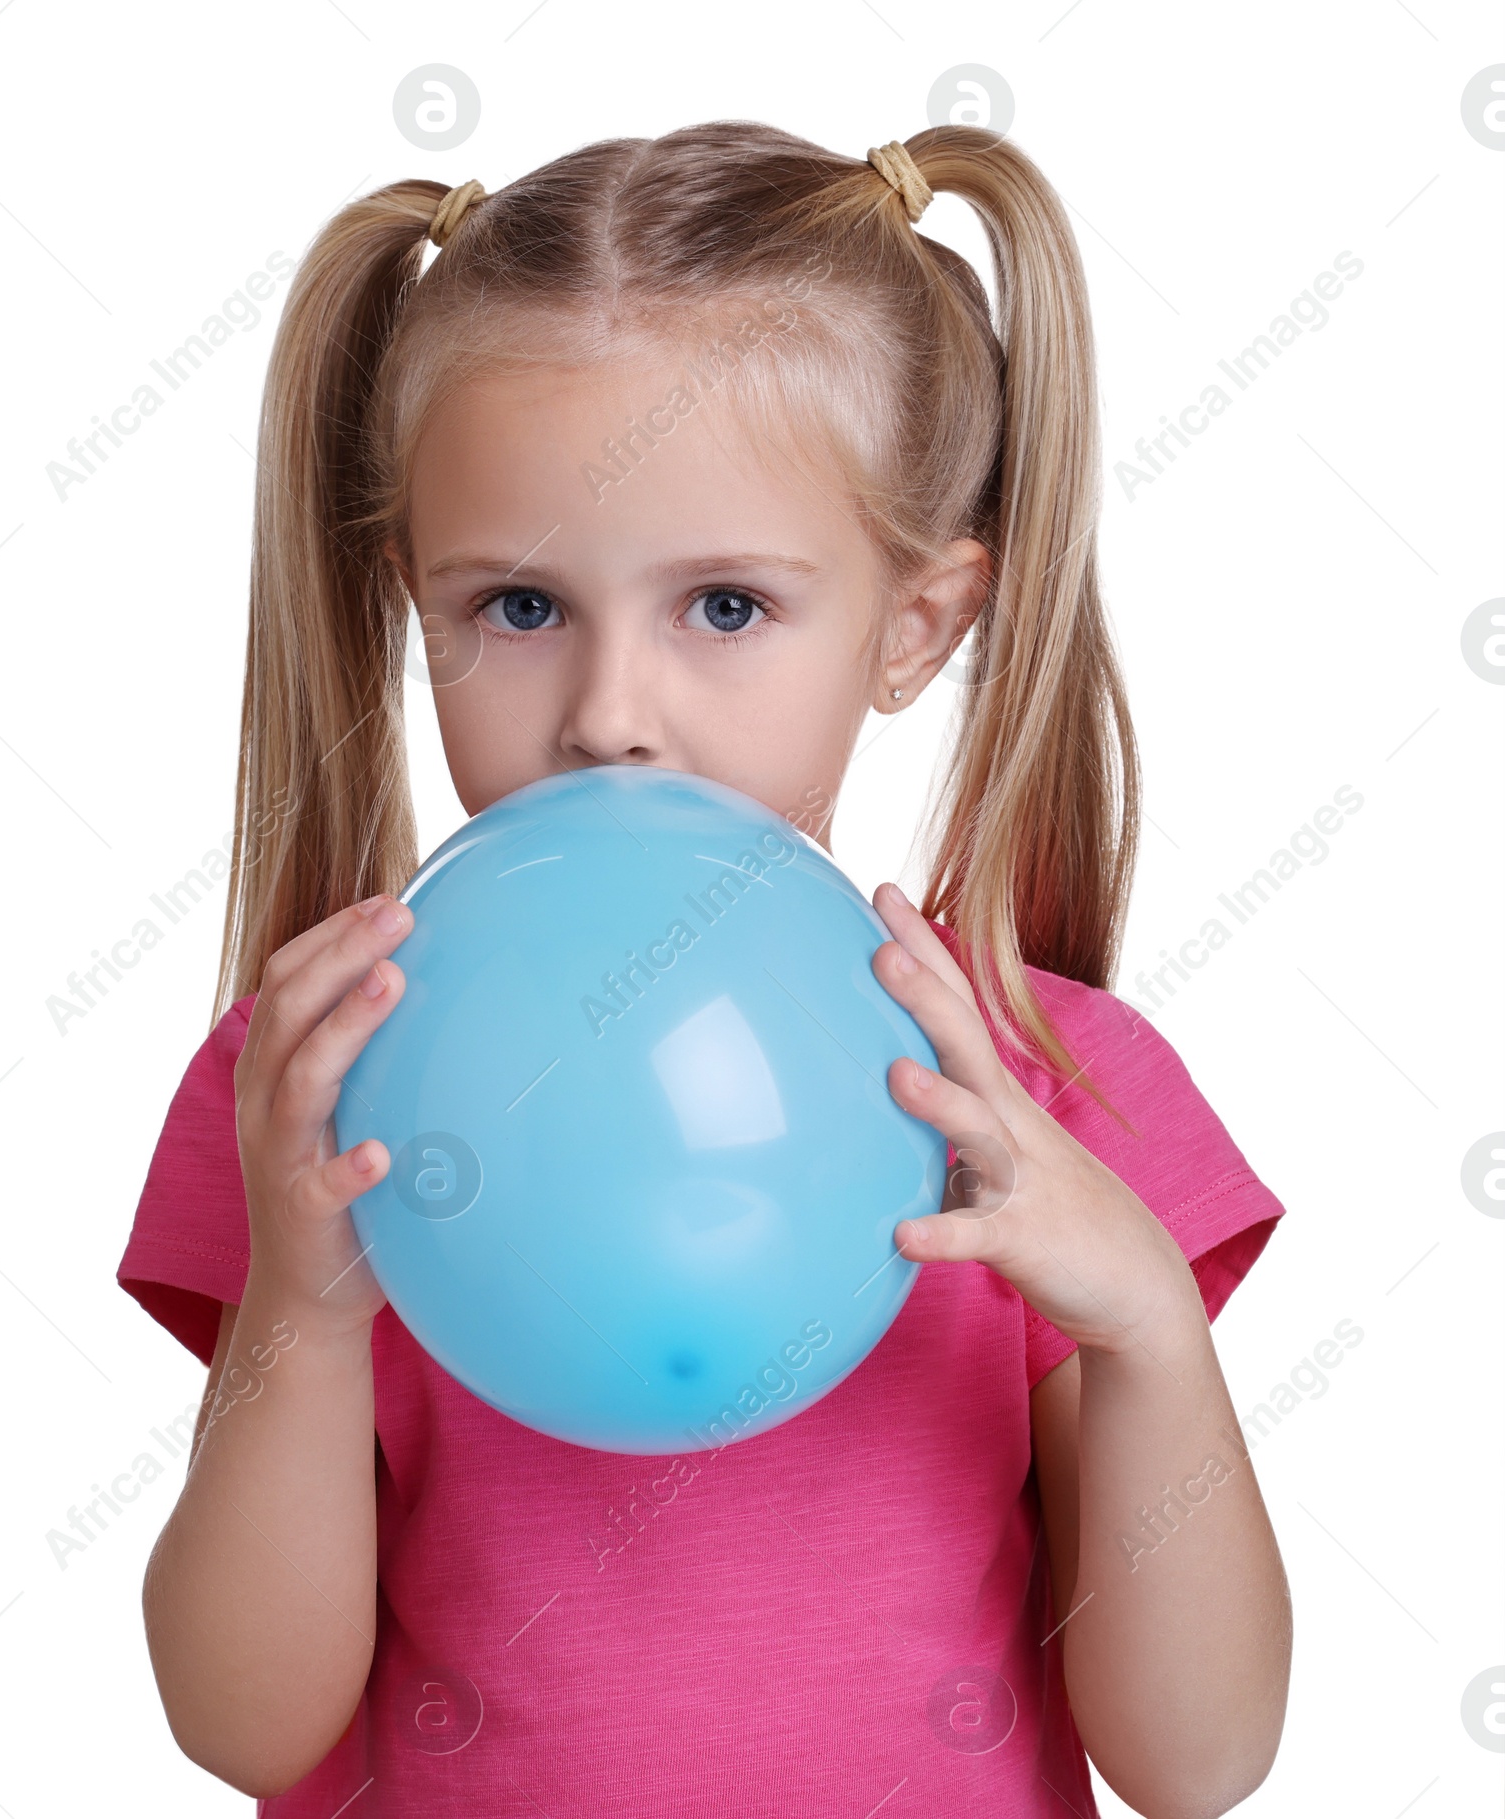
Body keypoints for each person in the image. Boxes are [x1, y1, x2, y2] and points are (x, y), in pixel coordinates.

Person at [119, 123, 1291, 1816]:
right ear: (412, 605)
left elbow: (1202, 1764)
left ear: (916, 625)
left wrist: (1152, 1340)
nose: (609, 713)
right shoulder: (325, 1075)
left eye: (725, 607)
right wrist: (305, 1309)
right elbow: (247, 1724)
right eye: (518, 606)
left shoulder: (1043, 1084)